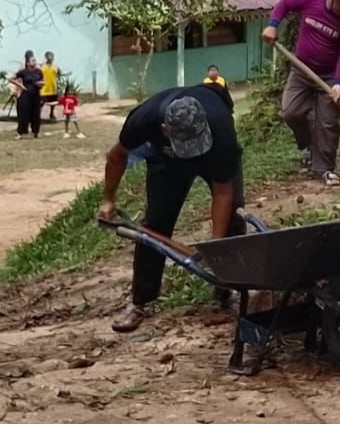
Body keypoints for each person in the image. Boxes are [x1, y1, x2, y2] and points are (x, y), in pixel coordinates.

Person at [98, 83, 243, 333]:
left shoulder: (220, 129)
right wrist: (108, 199)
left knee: (233, 216)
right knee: (156, 222)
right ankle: (141, 301)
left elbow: (223, 193)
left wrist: (215, 246)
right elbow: (116, 156)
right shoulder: (144, 119)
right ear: (165, 129)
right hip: (167, 160)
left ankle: (228, 288)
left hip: (214, 152)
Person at [261, 0, 340, 185]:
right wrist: (272, 25)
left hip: (329, 77)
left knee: (327, 122)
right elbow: (285, 4)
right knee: (291, 112)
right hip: (301, 69)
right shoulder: (311, 0)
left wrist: (339, 81)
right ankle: (308, 146)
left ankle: (324, 168)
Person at [11, 51, 44, 139]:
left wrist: (40, 85)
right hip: (26, 95)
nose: (35, 62)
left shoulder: (39, 72)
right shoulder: (23, 72)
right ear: (28, 63)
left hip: (36, 95)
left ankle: (35, 132)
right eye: (32, 61)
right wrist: (20, 85)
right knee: (24, 114)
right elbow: (11, 79)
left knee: (36, 114)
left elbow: (41, 82)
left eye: (35, 60)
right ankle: (20, 133)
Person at [39, 51, 60, 120]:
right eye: (49, 56)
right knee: (41, 103)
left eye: (52, 56)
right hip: (44, 88)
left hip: (53, 88)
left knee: (53, 103)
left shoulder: (56, 67)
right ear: (46, 57)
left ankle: (51, 113)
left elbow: (59, 74)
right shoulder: (42, 66)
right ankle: (38, 115)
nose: (51, 58)